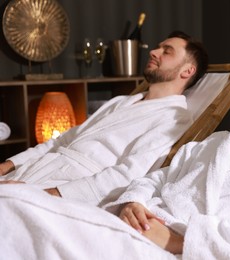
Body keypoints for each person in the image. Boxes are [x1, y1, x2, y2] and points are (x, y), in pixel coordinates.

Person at [0, 52, 230, 259]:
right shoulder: (219, 141)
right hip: (135, 224)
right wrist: (132, 202)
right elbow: (157, 177)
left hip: (174, 248)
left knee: (11, 206)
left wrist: (179, 241)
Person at [0, 30, 209, 206]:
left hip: (70, 185)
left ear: (187, 70)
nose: (154, 52)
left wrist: (48, 194)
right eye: (158, 47)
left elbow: (127, 174)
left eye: (167, 51)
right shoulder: (121, 101)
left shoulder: (174, 119)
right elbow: (62, 140)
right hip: (39, 167)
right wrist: (8, 165)